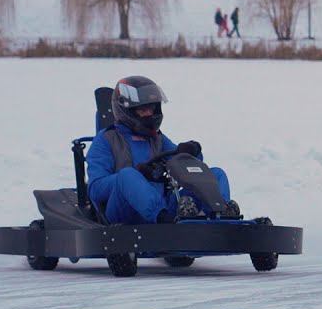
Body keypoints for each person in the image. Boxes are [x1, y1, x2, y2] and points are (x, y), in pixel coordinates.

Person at [87, 76, 235, 224]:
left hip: (164, 207)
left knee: (216, 174)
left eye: (152, 108)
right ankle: (166, 225)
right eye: (143, 109)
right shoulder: (105, 140)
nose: (149, 114)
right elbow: (96, 189)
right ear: (127, 111)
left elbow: (184, 166)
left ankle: (222, 217)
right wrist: (138, 175)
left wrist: (191, 151)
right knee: (128, 175)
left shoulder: (157, 138)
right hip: (125, 212)